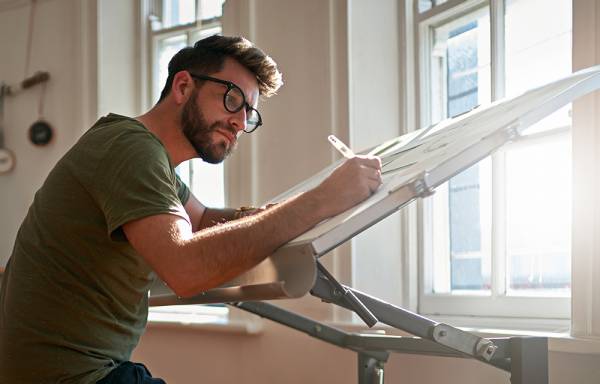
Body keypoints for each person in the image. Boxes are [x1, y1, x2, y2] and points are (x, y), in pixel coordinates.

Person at [0, 35, 382, 383]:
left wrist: (283, 210)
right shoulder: (130, 149)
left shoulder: (144, 153)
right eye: (232, 98)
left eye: (249, 111)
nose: (239, 121)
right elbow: (186, 269)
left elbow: (198, 219)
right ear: (183, 86)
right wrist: (320, 201)